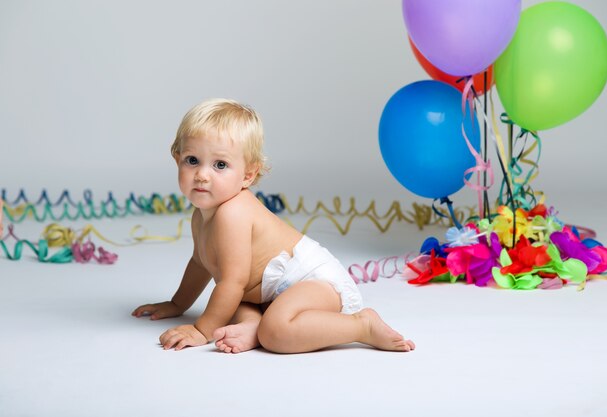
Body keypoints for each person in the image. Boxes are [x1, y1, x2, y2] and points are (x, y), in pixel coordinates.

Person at [132, 99, 415, 354]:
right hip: (271, 293)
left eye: (220, 165)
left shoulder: (233, 213)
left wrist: (202, 329)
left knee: (275, 332)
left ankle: (361, 325)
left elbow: (233, 282)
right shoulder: (202, 214)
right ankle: (253, 326)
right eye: (192, 161)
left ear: (248, 174)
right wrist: (178, 304)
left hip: (316, 283)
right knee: (231, 307)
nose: (203, 175)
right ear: (177, 158)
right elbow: (201, 263)